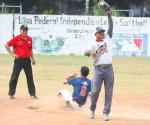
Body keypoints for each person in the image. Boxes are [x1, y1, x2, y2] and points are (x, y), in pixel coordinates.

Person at [84, 7, 114, 121]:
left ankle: (106, 113)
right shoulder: (92, 43)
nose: (102, 33)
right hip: (98, 69)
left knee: (109, 92)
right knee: (95, 91)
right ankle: (92, 109)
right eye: (100, 32)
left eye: (102, 32)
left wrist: (109, 15)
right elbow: (85, 52)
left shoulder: (108, 39)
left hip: (109, 69)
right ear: (96, 34)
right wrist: (90, 52)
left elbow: (111, 27)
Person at [5, 25, 38, 99]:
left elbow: (30, 50)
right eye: (23, 30)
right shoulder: (16, 38)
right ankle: (11, 94)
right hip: (18, 60)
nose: (25, 32)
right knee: (14, 77)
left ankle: (33, 94)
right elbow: (6, 45)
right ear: (20, 30)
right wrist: (12, 54)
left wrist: (33, 59)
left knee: (30, 77)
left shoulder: (30, 39)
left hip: (27, 61)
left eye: (26, 30)